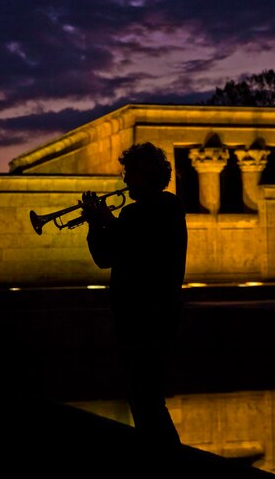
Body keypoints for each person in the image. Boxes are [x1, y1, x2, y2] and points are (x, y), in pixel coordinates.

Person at [81, 142, 188, 463]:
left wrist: (100, 221)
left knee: (145, 396)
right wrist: (102, 222)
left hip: (144, 315)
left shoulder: (148, 211)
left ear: (146, 174)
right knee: (145, 394)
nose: (126, 182)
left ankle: (166, 460)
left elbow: (110, 253)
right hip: (155, 312)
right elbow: (115, 250)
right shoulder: (164, 208)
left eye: (130, 175)